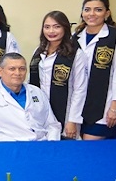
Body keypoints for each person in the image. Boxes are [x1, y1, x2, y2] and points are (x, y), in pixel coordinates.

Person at [74, 0, 116, 140]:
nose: (91, 14)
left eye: (98, 10)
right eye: (87, 10)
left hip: (104, 106)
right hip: (78, 105)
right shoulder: (74, 37)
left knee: (90, 147)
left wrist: (115, 107)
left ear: (107, 13)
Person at [0, 53, 61, 141]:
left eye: (22, 69)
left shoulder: (37, 92)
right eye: (12, 69)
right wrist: (14, 145)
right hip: (8, 147)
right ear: (0, 71)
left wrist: (52, 142)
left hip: (41, 146)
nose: (17, 73)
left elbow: (52, 124)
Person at [28, 11, 88, 139]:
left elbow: (80, 89)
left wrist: (72, 120)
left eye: (57, 26)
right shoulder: (38, 51)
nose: (51, 31)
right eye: (47, 27)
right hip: (40, 111)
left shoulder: (75, 54)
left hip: (65, 113)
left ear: (65, 28)